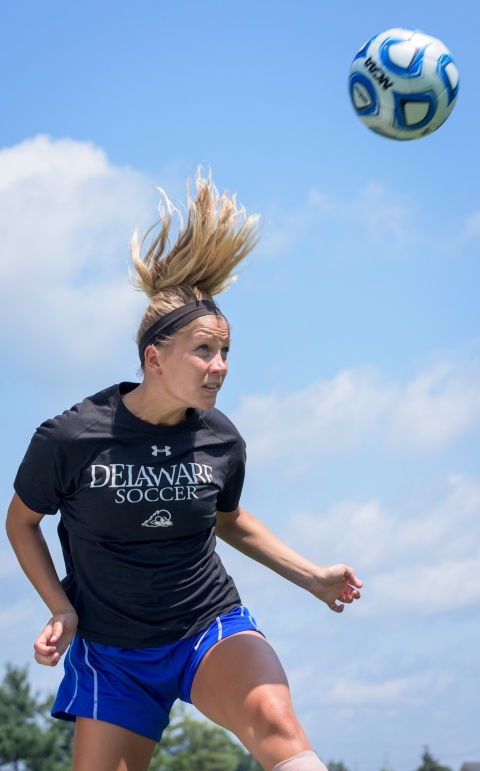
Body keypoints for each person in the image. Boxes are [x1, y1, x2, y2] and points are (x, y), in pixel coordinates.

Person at [6, 170, 362, 771]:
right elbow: (21, 523)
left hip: (207, 626)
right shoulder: (70, 437)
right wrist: (60, 607)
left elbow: (230, 520)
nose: (220, 366)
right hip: (113, 653)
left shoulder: (221, 439)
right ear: (154, 357)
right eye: (204, 351)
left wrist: (311, 575)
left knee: (277, 724)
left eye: (225, 352)